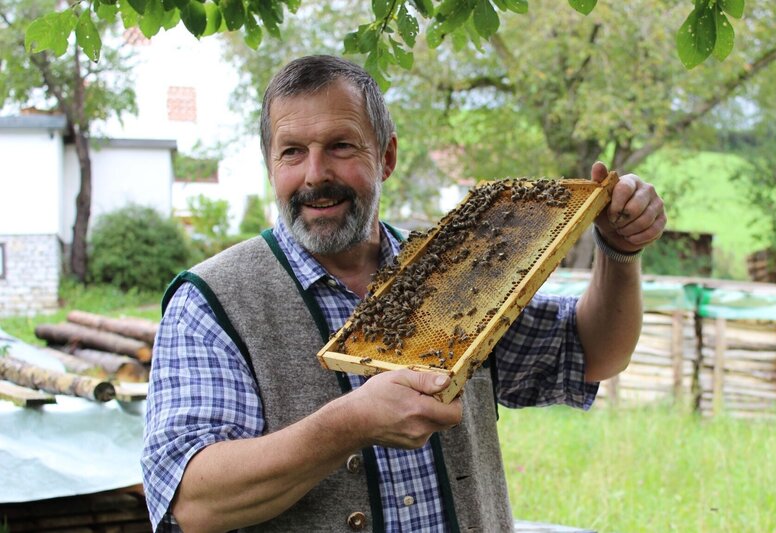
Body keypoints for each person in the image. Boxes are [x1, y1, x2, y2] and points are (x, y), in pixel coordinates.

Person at [142, 55, 666, 533]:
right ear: (271, 166)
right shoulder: (210, 301)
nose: (315, 175)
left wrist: (619, 252)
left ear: (386, 156)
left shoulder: (458, 270)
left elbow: (592, 353)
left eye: (341, 146)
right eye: (292, 153)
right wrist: (350, 423)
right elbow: (192, 501)